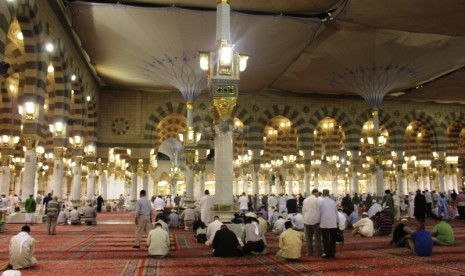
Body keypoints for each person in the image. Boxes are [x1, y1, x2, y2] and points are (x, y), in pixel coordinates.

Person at [319, 189, 339, 259]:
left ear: (323, 194)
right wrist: (337, 221)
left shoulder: (321, 201)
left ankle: (327, 253)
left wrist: (318, 221)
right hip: (333, 222)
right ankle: (332, 253)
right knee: (333, 239)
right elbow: (336, 212)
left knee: (325, 239)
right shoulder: (333, 201)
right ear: (328, 194)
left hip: (324, 222)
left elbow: (319, 213)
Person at [302, 188, 322, 257]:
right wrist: (320, 221)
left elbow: (303, 211)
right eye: (318, 193)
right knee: (317, 237)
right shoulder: (318, 200)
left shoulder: (305, 200)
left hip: (307, 220)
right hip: (315, 220)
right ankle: (319, 252)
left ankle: (309, 252)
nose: (318, 195)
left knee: (308, 238)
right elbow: (320, 211)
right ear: (315, 193)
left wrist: (304, 220)